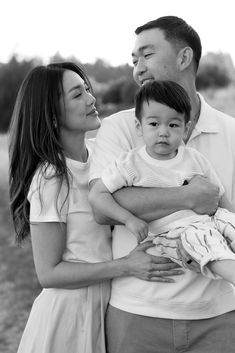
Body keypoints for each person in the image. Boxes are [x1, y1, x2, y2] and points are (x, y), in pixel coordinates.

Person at [8, 62, 179, 353]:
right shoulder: (51, 176)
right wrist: (126, 266)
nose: (91, 98)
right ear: (51, 113)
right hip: (69, 315)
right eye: (77, 94)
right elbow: (48, 273)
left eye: (87, 89)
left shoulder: (104, 156)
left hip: (107, 305)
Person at [89, 16, 235, 353]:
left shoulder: (230, 132)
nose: (137, 68)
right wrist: (189, 196)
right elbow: (103, 207)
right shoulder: (121, 128)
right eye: (134, 60)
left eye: (146, 55)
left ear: (184, 58)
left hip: (221, 316)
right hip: (138, 312)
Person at [90, 79, 235, 285]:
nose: (163, 132)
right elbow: (97, 195)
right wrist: (129, 219)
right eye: (154, 124)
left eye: (173, 125)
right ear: (139, 127)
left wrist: (227, 221)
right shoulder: (130, 163)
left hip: (206, 220)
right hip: (174, 233)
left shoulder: (193, 158)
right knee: (202, 239)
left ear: (186, 128)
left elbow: (217, 196)